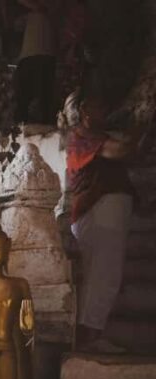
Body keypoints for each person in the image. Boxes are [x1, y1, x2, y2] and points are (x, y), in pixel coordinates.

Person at [68, 91, 142, 353]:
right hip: (99, 211)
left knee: (104, 274)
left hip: (107, 211)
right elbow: (120, 150)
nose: (103, 112)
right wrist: (139, 127)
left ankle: (92, 334)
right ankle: (89, 337)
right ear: (84, 110)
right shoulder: (82, 138)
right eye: (98, 106)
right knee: (101, 275)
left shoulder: (97, 137)